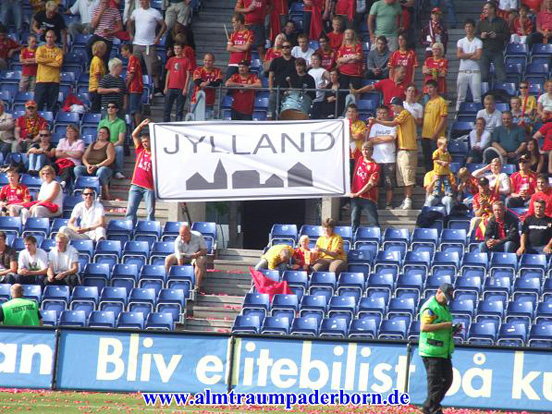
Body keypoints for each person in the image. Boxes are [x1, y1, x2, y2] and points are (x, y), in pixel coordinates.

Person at [370, 97, 417, 210]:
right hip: (402, 149)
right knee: (403, 178)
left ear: (397, 105)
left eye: (392, 106)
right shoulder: (400, 116)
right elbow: (370, 139)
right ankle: (406, 200)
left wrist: (377, 121)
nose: (391, 108)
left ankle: (408, 200)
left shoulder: (404, 113)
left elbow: (393, 126)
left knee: (407, 177)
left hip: (408, 149)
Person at [419, 283, 458, 414]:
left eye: (449, 298)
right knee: (435, 383)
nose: (447, 300)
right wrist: (446, 325)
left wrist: (453, 329)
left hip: (443, 351)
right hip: (431, 350)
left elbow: (442, 327)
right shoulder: (430, 307)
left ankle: (429, 406)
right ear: (438, 292)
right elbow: (424, 327)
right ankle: (433, 409)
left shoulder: (444, 307)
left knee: (448, 380)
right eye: (445, 297)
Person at [128, 0, 167, 95]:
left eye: (144, 0)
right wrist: (130, 33)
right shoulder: (136, 12)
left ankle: (156, 88)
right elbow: (130, 22)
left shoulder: (155, 12)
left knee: (152, 68)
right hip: (137, 44)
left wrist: (158, 37)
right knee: (134, 67)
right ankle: (133, 87)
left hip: (149, 45)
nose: (142, 2)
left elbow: (164, 25)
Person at [126, 119, 155, 225]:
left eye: (146, 141)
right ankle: (129, 229)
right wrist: (141, 126)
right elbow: (134, 135)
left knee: (150, 213)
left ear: (152, 141)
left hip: (149, 187)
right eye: (143, 142)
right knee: (130, 211)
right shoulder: (140, 150)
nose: (144, 144)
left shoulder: (157, 153)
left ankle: (150, 230)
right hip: (136, 185)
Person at [367, 105, 396, 209]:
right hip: (376, 159)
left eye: (384, 113)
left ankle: (389, 204)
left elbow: (392, 138)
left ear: (388, 114)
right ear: (377, 114)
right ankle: (375, 203)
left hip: (389, 159)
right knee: (375, 183)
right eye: (380, 113)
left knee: (389, 183)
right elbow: (371, 140)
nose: (382, 115)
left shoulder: (392, 125)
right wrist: (385, 138)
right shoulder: (374, 126)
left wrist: (378, 139)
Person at [164, 224, 207, 294]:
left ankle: (197, 286)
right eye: (181, 235)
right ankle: (168, 281)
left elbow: (204, 250)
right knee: (168, 259)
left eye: (185, 235)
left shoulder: (198, 236)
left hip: (196, 256)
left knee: (200, 261)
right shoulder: (178, 240)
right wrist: (182, 270)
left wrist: (196, 254)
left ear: (189, 233)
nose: (183, 237)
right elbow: (179, 257)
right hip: (183, 256)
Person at [74, 127, 115, 200]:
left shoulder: (109, 144)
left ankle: (106, 193)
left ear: (107, 135)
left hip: (103, 167)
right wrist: (87, 165)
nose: (101, 134)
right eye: (100, 132)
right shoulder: (92, 144)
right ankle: (82, 190)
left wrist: (97, 166)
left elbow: (110, 159)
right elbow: (84, 157)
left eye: (103, 133)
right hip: (90, 167)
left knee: (101, 171)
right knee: (77, 169)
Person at [350, 142, 380, 231]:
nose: (365, 152)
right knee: (354, 221)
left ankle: (377, 238)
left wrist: (357, 193)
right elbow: (352, 143)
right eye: (363, 149)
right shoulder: (359, 159)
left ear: (372, 151)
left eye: (367, 149)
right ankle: (353, 237)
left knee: (373, 221)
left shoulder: (375, 166)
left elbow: (370, 184)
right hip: (355, 196)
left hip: (368, 198)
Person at [477, 2, 509, 83]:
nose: (484, 11)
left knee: (501, 77)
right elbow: (476, 36)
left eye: (486, 9)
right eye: (484, 9)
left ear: (492, 9)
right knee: (483, 76)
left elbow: (507, 36)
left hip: (497, 51)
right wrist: (481, 36)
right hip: (484, 51)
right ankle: (485, 91)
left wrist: (496, 35)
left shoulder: (502, 22)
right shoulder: (481, 22)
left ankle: (501, 90)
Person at [456, 18, 483, 111]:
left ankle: (478, 114)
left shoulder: (478, 41)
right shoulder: (461, 41)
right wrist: (472, 54)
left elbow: (478, 56)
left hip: (475, 71)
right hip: (462, 71)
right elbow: (459, 55)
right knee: (460, 96)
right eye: (467, 27)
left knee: (477, 96)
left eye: (470, 27)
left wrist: (465, 55)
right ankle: (458, 114)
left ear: (474, 28)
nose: (468, 29)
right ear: (464, 28)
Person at [422, 80, 448, 172]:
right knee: (427, 160)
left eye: (431, 87)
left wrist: (436, 134)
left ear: (436, 88)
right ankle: (428, 177)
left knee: (436, 160)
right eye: (427, 88)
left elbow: (443, 119)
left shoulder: (441, 101)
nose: (429, 90)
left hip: (436, 137)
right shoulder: (428, 102)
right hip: (425, 136)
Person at [87, 0, 122, 68]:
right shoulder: (96, 9)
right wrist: (100, 12)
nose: (105, 4)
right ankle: (91, 64)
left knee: (105, 58)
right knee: (88, 45)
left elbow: (120, 28)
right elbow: (93, 25)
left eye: (106, 2)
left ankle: (104, 69)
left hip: (108, 37)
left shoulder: (115, 11)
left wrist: (110, 32)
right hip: (98, 34)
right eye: (103, 3)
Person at [35, 30, 63, 112]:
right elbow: (38, 60)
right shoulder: (40, 49)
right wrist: (52, 60)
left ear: (55, 38)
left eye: (51, 37)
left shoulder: (58, 51)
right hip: (41, 80)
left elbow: (58, 64)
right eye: (47, 37)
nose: (49, 39)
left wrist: (44, 61)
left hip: (54, 81)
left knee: (52, 106)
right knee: (38, 105)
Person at [164, 42, 192, 122]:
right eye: (175, 48)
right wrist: (166, 86)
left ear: (182, 49)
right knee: (167, 109)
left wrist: (185, 87)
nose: (176, 50)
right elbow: (168, 73)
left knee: (179, 111)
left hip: (181, 88)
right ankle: (165, 125)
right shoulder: (171, 60)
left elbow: (188, 74)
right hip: (171, 87)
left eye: (178, 48)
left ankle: (177, 125)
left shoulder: (186, 60)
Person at [98, 102, 126, 179]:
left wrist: (110, 146)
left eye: (113, 107)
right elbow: (98, 137)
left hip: (114, 145)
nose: (110, 109)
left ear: (117, 110)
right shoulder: (102, 122)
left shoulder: (121, 123)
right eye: (108, 107)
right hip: (103, 145)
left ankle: (118, 171)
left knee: (119, 149)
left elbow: (121, 140)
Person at [268, 40, 296, 119]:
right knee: (271, 113)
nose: (285, 49)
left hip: (290, 92)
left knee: (286, 115)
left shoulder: (295, 61)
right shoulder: (276, 61)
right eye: (283, 47)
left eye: (287, 47)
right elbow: (271, 75)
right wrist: (271, 89)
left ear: (291, 48)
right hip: (276, 90)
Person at [54, 124, 85, 189]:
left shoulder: (80, 142)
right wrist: (72, 153)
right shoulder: (62, 141)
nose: (69, 133)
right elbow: (57, 154)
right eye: (68, 131)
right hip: (61, 162)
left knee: (67, 169)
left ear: (76, 133)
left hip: (73, 163)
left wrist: (65, 152)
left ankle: (62, 184)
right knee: (51, 166)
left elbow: (78, 155)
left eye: (71, 131)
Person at [120, 44, 144, 126]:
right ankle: (135, 127)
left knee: (134, 109)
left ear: (128, 50)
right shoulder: (130, 60)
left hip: (135, 87)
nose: (121, 53)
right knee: (133, 109)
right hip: (133, 88)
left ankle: (138, 128)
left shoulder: (133, 59)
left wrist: (126, 85)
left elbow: (132, 74)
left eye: (123, 51)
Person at [226, 13, 254, 80]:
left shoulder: (249, 33)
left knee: (243, 84)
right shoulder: (233, 34)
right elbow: (229, 48)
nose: (233, 24)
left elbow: (246, 47)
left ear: (239, 22)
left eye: (234, 22)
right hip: (232, 63)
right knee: (229, 84)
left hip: (244, 64)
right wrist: (242, 49)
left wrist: (234, 46)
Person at [346, 104, 367, 175]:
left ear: (357, 113)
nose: (350, 113)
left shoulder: (361, 124)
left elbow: (358, 136)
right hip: (345, 153)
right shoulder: (342, 123)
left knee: (355, 174)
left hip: (357, 153)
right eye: (349, 111)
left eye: (353, 112)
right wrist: (352, 135)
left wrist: (348, 134)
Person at [308, 53, 329, 118]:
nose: (313, 61)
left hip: (318, 98)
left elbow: (329, 80)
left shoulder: (323, 71)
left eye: (315, 59)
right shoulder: (309, 71)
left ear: (319, 61)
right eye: (312, 59)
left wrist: (325, 86)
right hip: (310, 97)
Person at [89, 40, 107, 113]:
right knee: (96, 108)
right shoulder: (97, 61)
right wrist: (101, 85)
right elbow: (97, 74)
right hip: (96, 88)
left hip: (96, 88)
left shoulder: (99, 60)